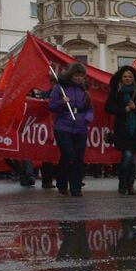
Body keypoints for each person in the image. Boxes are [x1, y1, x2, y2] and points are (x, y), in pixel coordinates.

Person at [49, 61, 94, 197]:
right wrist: (61, 102)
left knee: (79, 158)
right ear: (70, 75)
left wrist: (87, 118)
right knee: (68, 154)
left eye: (81, 75)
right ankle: (62, 182)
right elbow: (51, 107)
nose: (79, 78)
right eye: (76, 75)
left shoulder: (84, 90)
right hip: (63, 126)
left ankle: (76, 187)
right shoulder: (59, 88)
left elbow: (89, 108)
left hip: (80, 127)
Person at [106, 65, 136, 196]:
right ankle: (123, 183)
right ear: (121, 78)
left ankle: (130, 184)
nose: (127, 79)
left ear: (134, 79)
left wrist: (135, 107)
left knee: (134, 159)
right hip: (121, 128)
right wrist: (122, 110)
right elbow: (108, 108)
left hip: (135, 129)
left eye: (130, 76)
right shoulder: (116, 92)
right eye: (125, 76)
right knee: (127, 156)